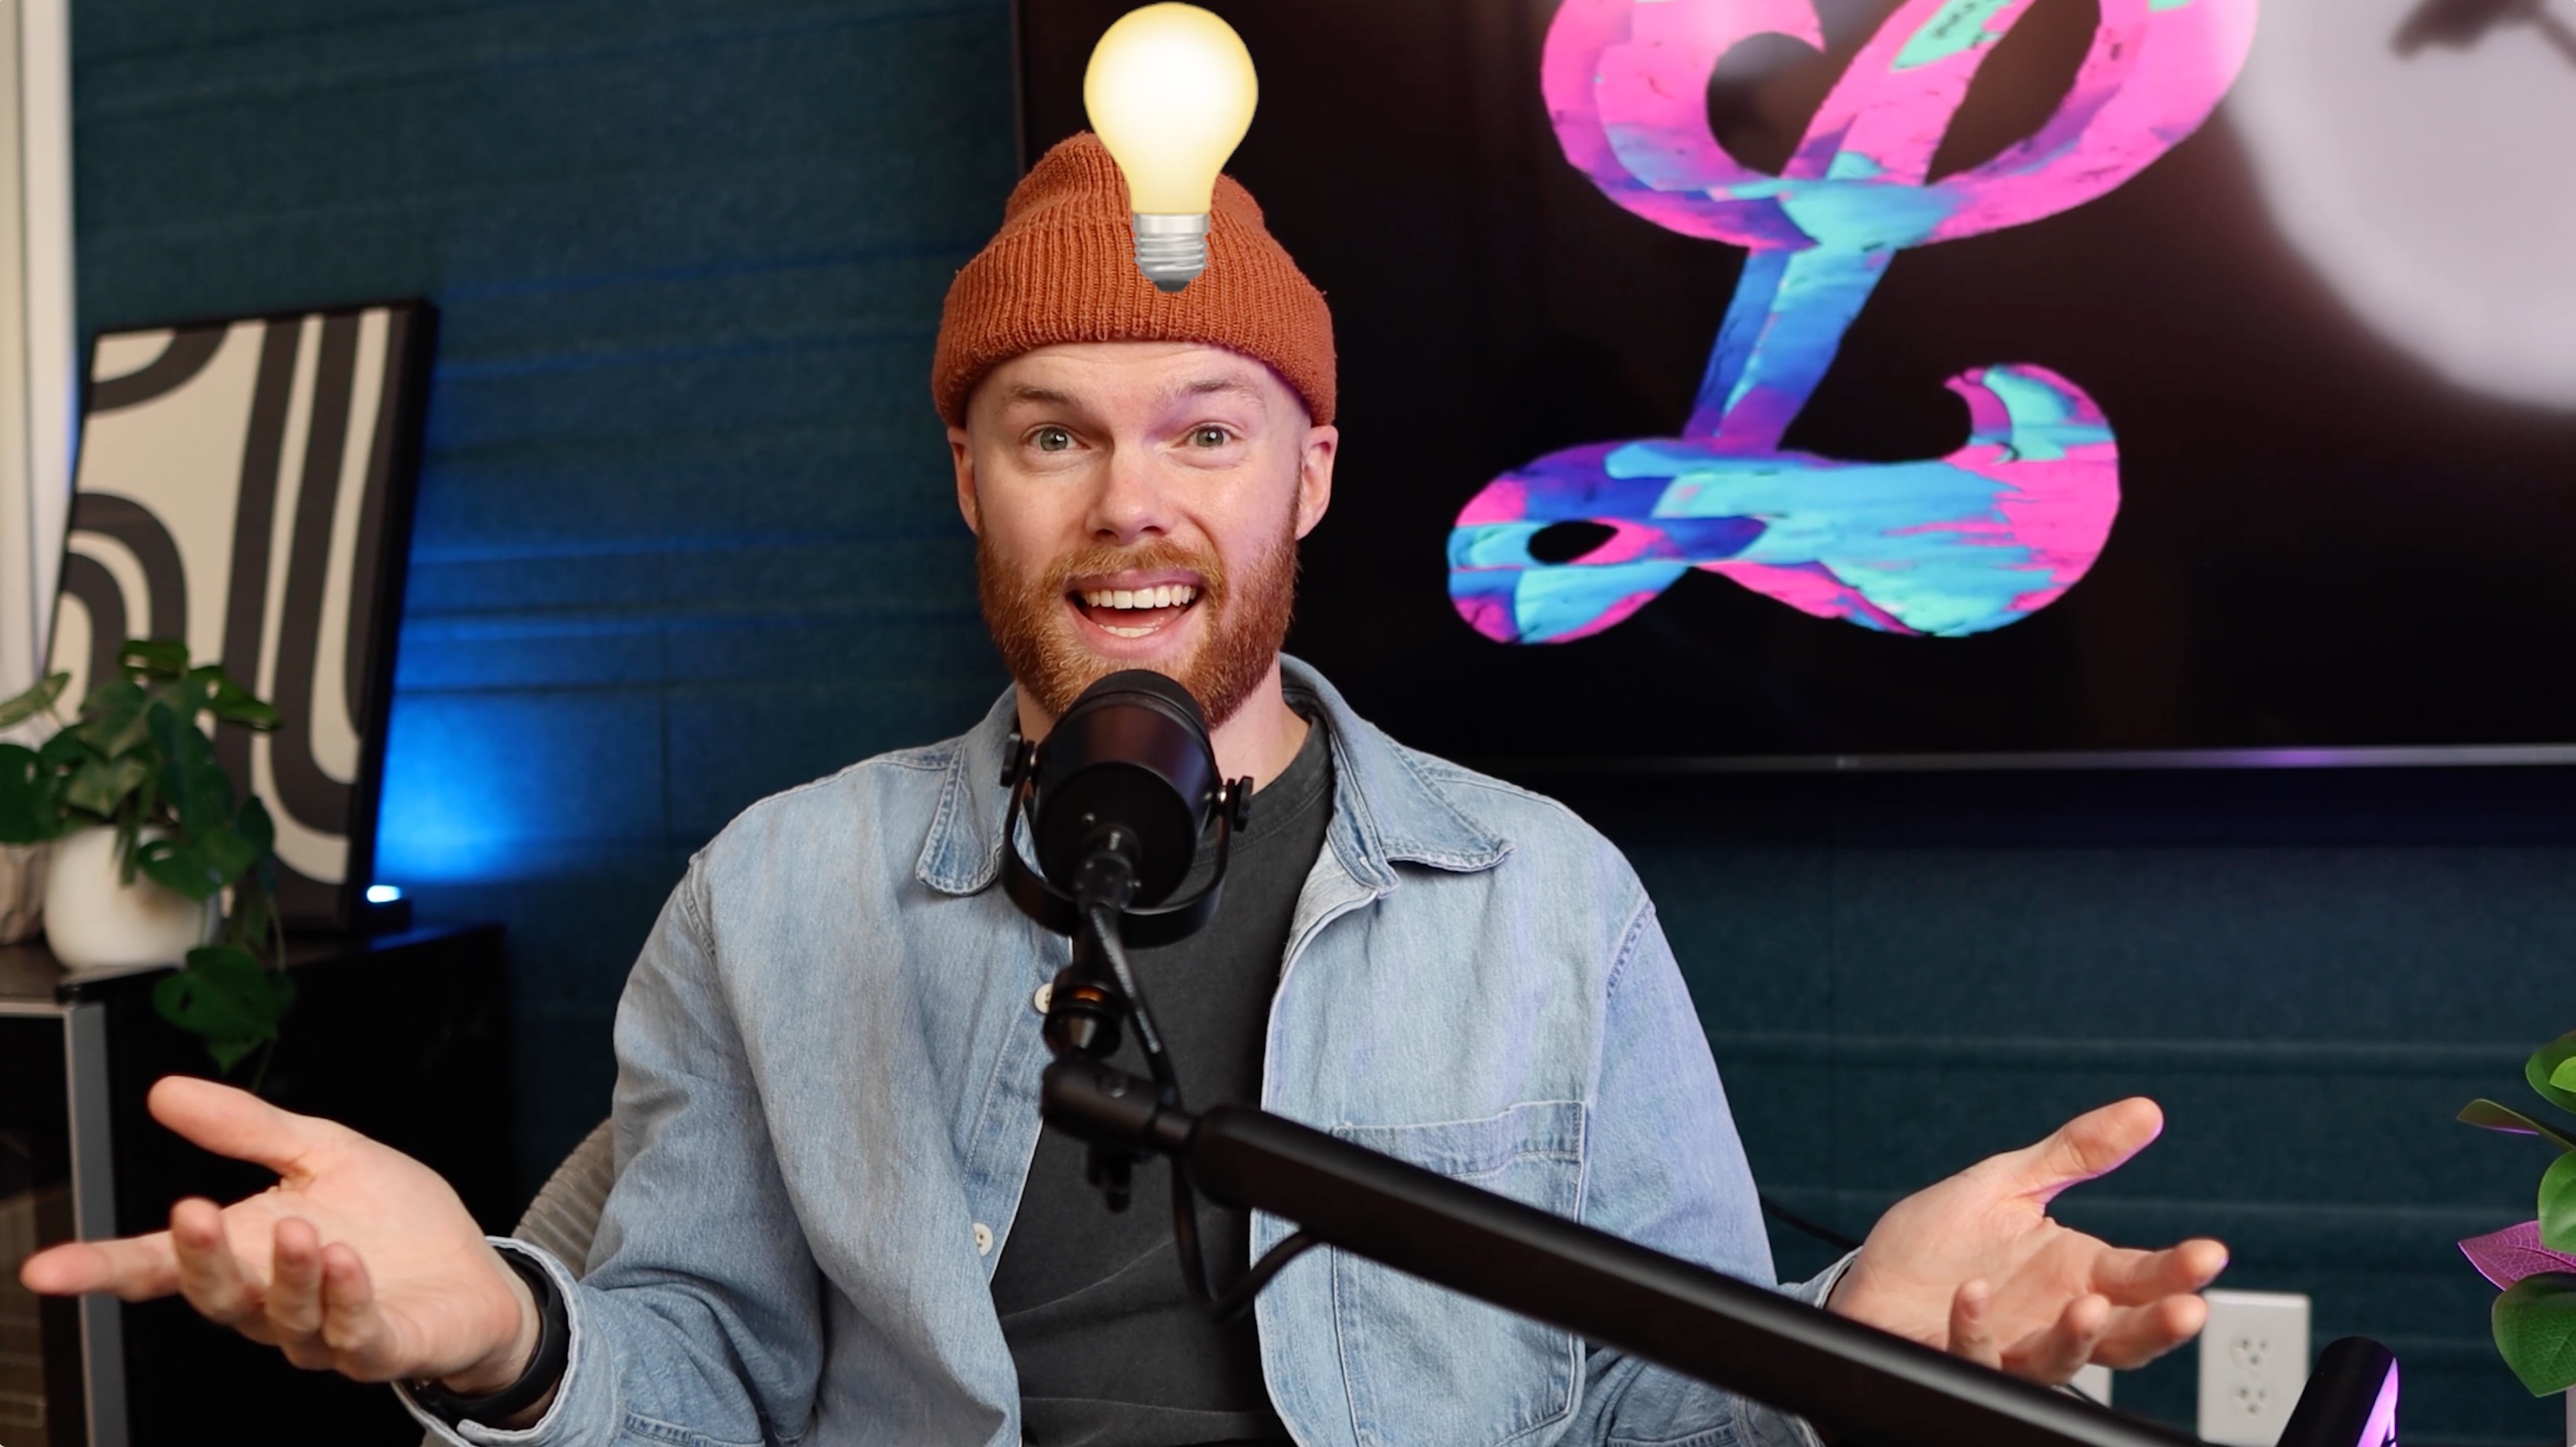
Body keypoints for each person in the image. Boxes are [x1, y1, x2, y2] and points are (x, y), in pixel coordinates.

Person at [17, 134, 2227, 1447]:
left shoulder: (1539, 895)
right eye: (1051, 429)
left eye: (1204, 427)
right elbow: (692, 1377)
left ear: (1310, 474)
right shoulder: (780, 889)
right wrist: (501, 1329)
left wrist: (1855, 1344)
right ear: (965, 479)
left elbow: (1648, 1413)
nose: (1129, 500)